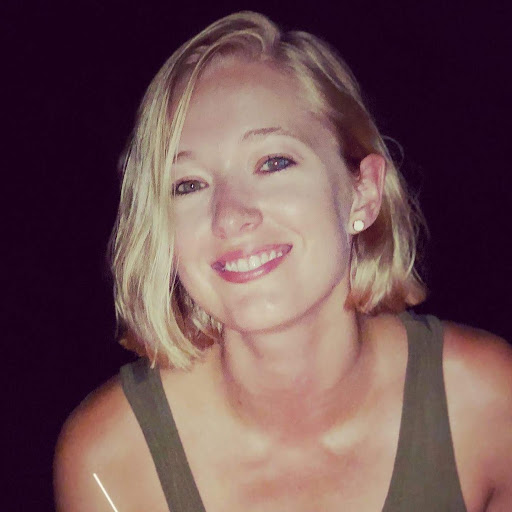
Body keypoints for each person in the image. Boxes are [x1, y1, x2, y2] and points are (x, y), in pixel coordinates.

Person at [53, 11, 512, 512]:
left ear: (362, 192)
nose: (230, 216)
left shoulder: (488, 406)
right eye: (188, 184)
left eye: (273, 162)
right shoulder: (111, 463)